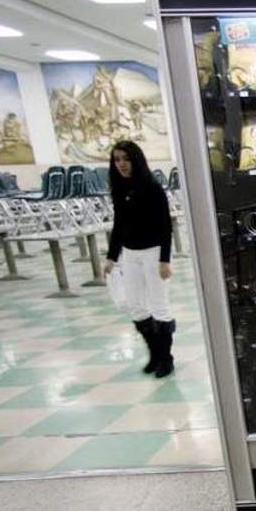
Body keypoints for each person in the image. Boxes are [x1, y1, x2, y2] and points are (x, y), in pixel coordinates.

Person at [103, 140, 176, 378]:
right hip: (130, 254)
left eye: (126, 159)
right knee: (136, 306)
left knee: (159, 306)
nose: (122, 164)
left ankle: (166, 358)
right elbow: (119, 225)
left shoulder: (152, 188)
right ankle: (155, 354)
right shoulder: (119, 189)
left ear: (136, 160)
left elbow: (166, 226)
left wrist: (164, 260)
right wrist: (111, 257)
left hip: (154, 254)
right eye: (117, 160)